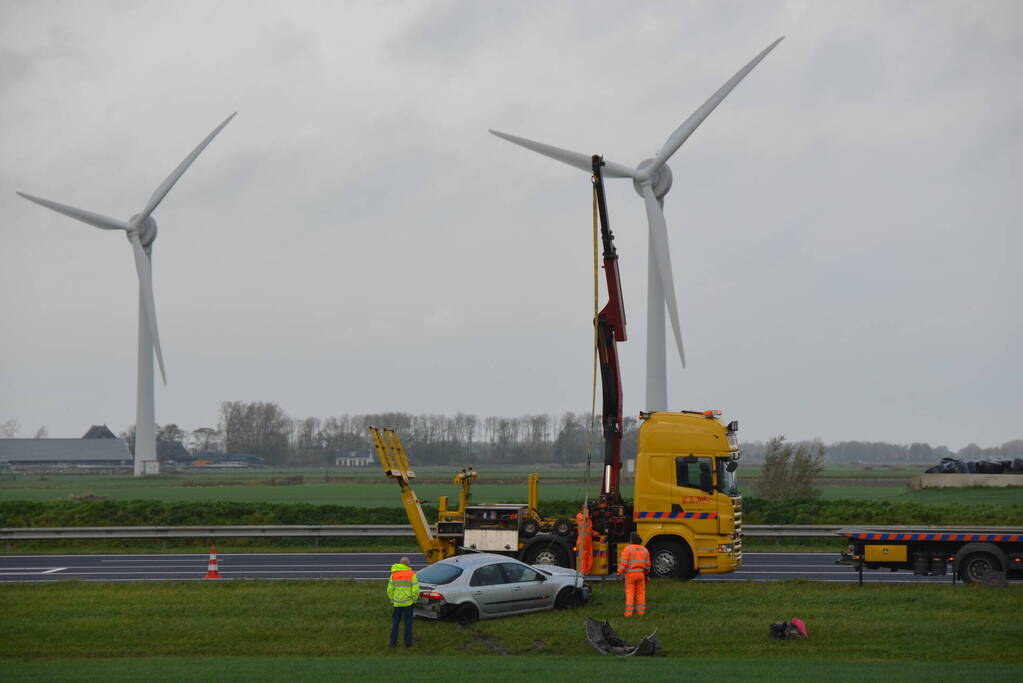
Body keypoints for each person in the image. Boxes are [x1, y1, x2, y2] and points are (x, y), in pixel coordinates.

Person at [387, 556, 420, 648]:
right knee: (408, 623)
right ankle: (408, 644)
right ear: (408, 564)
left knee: (395, 623)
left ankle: (393, 644)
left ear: (400, 564)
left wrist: (392, 600)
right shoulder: (412, 574)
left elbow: (389, 590)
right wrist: (414, 599)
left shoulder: (393, 575)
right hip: (408, 603)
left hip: (397, 603)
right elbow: (415, 590)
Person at [616, 532, 650, 617]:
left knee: (630, 593)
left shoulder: (628, 549)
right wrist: (646, 573)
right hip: (641, 575)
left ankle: (628, 613)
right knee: (641, 593)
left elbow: (623, 563)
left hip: (630, 575)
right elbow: (648, 565)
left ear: (631, 540)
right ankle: (641, 612)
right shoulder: (644, 550)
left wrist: (619, 573)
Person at [575, 507, 595, 575]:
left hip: (588, 540)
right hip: (582, 540)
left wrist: (596, 533)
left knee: (590, 557)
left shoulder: (588, 519)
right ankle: (582, 573)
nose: (587, 510)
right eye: (585, 508)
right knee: (583, 558)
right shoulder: (579, 515)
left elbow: (589, 529)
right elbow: (584, 518)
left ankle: (587, 572)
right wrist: (587, 513)